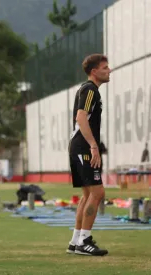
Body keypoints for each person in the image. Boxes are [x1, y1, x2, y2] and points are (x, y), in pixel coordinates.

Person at [67, 54, 110, 256]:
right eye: (105, 67)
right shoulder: (90, 89)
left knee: (87, 195)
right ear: (94, 71)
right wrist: (93, 146)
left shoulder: (88, 90)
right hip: (83, 148)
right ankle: (85, 240)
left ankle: (76, 240)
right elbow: (81, 116)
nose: (109, 70)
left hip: (79, 147)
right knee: (98, 193)